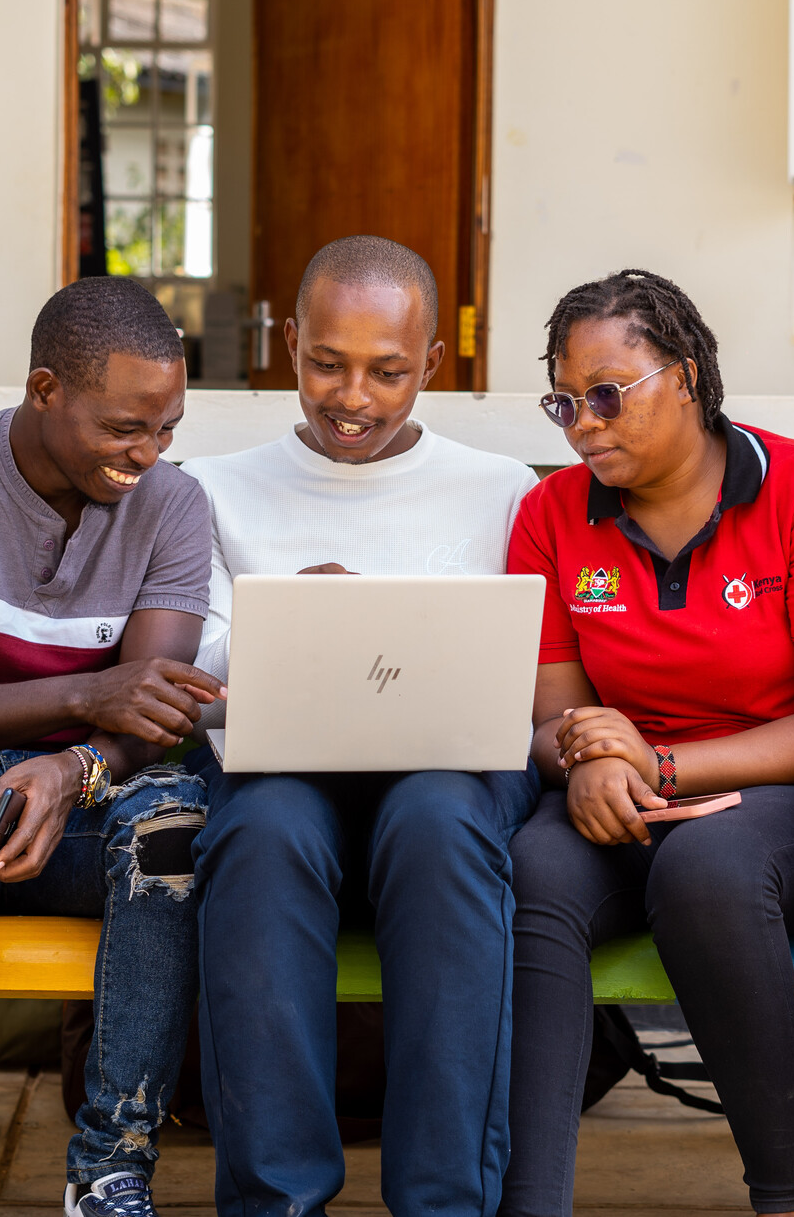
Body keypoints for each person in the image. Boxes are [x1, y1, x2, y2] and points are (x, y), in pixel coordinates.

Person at [500, 269, 794, 1217]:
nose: (585, 424)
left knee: (709, 867)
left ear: (684, 376)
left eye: (608, 394)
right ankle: (528, 1202)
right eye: (565, 402)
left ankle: (783, 1198)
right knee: (532, 868)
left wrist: (660, 764)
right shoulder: (552, 515)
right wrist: (589, 759)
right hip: (625, 794)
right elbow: (552, 713)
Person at [181, 234, 541, 1217]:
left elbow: (519, 672)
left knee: (438, 824)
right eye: (325, 364)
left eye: (387, 371)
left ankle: (442, 1200)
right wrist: (286, 617)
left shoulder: (500, 488)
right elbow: (194, 662)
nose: (353, 396)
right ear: (288, 345)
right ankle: (273, 1199)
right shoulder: (214, 487)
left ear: (430, 363)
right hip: (275, 762)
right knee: (259, 835)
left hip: (447, 768)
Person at [0, 277, 220, 1217]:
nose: (146, 454)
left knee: (176, 826)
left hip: (98, 793)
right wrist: (77, 695)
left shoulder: (174, 505)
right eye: (122, 428)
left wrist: (74, 765)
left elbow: (152, 711)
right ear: (46, 388)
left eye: (166, 429)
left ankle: (112, 1164)